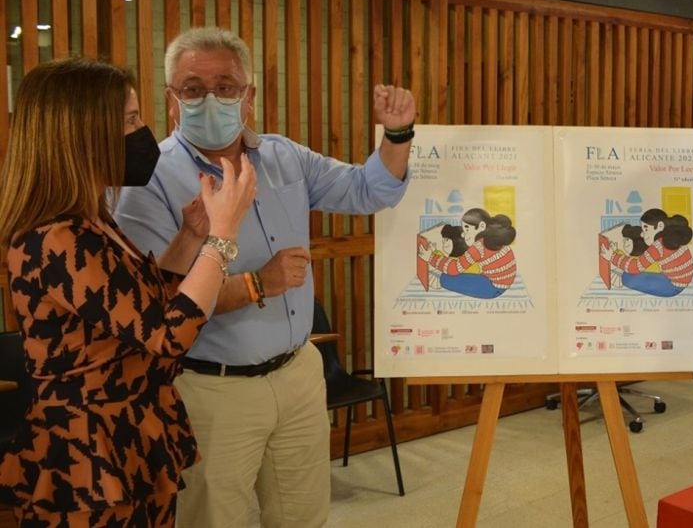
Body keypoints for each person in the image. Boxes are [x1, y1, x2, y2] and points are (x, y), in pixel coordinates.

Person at [114, 27, 414, 527]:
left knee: (303, 517)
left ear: (248, 96)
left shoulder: (282, 156)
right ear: (171, 100)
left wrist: (397, 134)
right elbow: (155, 309)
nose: (210, 99)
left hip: (297, 374)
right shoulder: (149, 180)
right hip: (211, 389)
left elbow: (368, 190)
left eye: (226, 87)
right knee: (211, 519)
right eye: (193, 89)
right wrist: (258, 283)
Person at [0, 59, 255, 526]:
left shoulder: (91, 219)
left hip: (130, 425)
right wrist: (223, 237)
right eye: (131, 120)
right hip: (86, 450)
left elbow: (142, 309)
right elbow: (168, 334)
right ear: (85, 134)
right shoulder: (56, 238)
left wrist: (190, 239)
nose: (143, 132)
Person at [419, 207, 517, 299]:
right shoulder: (495, 237)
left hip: (493, 288)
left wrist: (430, 257)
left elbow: (454, 268)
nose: (463, 233)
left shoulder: (479, 247)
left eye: (467, 228)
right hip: (503, 281)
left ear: (482, 226)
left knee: (447, 279)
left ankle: (438, 281)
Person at [601, 208, 693, 297]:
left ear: (660, 226)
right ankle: (621, 268)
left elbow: (636, 266)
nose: (643, 233)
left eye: (646, 229)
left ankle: (619, 276)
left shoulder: (659, 245)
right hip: (681, 279)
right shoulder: (671, 235)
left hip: (673, 286)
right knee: (640, 265)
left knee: (628, 278)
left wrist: (612, 256)